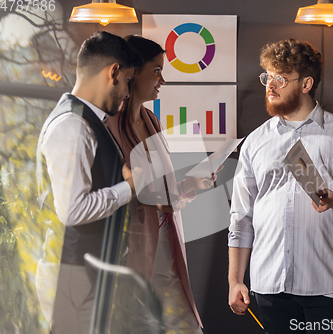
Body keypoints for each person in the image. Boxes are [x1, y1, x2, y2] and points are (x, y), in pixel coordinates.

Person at [228, 38, 333, 334]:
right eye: (267, 77)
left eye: (280, 78)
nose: (270, 85)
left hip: (327, 285)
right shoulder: (255, 142)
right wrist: (235, 280)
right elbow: (241, 217)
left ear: (306, 84)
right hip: (268, 286)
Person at [107, 35, 215, 333]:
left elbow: (163, 191)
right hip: (132, 256)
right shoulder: (109, 127)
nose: (162, 80)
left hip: (166, 249)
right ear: (133, 73)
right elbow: (121, 194)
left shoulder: (152, 121)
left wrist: (193, 183)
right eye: (156, 71)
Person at [36, 31, 142, 334]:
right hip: (72, 274)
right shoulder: (73, 126)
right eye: (128, 82)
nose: (127, 92)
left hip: (82, 272)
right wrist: (128, 189)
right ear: (114, 72)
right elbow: (72, 211)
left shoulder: (86, 120)